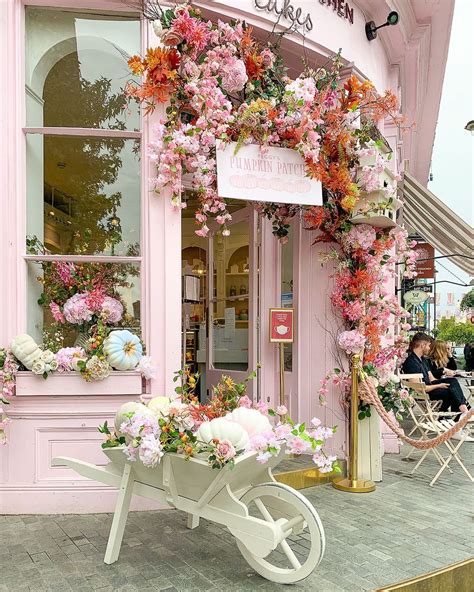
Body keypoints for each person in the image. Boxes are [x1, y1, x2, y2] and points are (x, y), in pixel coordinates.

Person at [402, 333, 472, 439]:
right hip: (425, 393)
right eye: (428, 345)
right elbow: (419, 388)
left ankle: (459, 417)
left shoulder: (423, 360)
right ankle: (462, 414)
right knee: (451, 390)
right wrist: (439, 385)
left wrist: (441, 382)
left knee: (452, 384)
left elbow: (432, 379)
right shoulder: (411, 362)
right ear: (422, 345)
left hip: (429, 388)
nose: (430, 348)